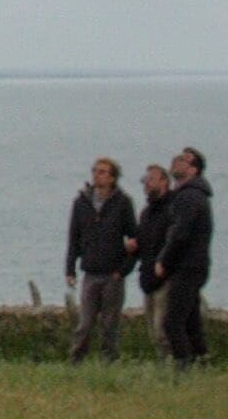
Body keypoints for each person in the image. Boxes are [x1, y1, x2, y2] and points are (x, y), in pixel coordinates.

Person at [63, 155, 139, 362]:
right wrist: (70, 269)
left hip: (113, 274)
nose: (97, 175)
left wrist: (123, 271)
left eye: (103, 172)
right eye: (95, 171)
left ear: (112, 178)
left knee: (109, 324)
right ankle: (75, 360)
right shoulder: (81, 203)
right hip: (90, 272)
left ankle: (108, 361)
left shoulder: (123, 203)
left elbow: (135, 240)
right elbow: (74, 238)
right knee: (84, 323)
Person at [154, 147, 214, 370]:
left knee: (172, 323)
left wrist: (164, 260)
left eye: (183, 159)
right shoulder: (189, 194)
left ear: (194, 169)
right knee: (191, 322)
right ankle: (202, 363)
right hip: (193, 266)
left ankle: (183, 368)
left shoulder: (189, 196)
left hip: (188, 267)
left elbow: (180, 234)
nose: (176, 161)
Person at [133, 163, 175, 356]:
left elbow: (176, 242)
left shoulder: (173, 209)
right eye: (144, 180)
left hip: (166, 278)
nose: (146, 184)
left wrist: (165, 265)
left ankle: (175, 371)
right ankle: (164, 373)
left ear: (164, 182)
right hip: (148, 277)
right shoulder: (146, 212)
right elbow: (142, 245)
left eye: (150, 180)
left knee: (163, 331)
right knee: (153, 334)